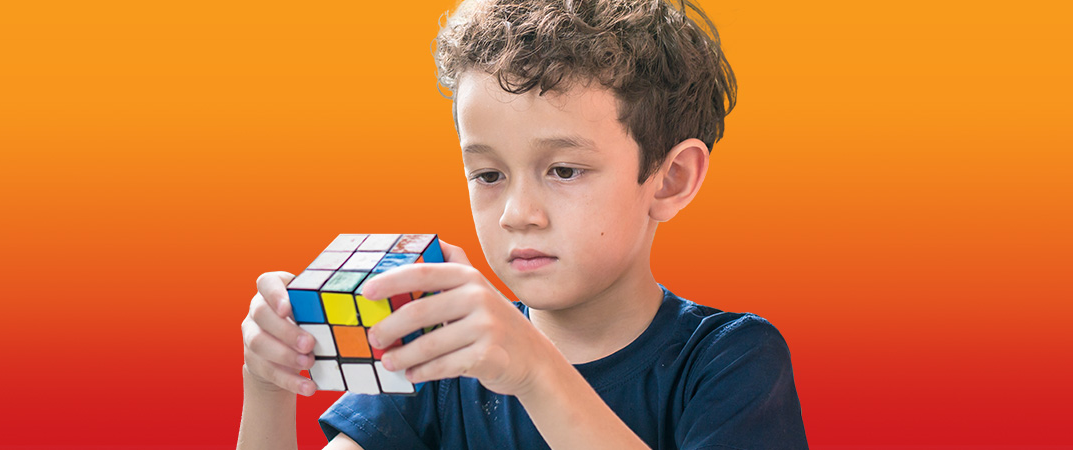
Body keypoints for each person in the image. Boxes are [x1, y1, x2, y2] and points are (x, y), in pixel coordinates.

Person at [237, 0, 809, 448]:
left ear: (670, 178)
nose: (517, 215)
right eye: (487, 174)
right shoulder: (438, 363)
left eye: (563, 170)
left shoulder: (729, 362)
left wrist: (535, 370)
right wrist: (268, 387)